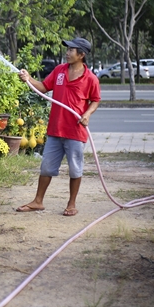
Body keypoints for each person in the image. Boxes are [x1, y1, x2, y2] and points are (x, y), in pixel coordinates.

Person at [16, 37, 101, 216]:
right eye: (68, 49)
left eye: (71, 50)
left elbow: (95, 100)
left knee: (75, 168)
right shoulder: (59, 71)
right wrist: (28, 79)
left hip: (75, 131)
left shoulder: (90, 78)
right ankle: (38, 201)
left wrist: (86, 114)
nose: (67, 52)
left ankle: (71, 204)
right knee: (46, 167)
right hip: (55, 130)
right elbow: (44, 87)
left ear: (82, 54)